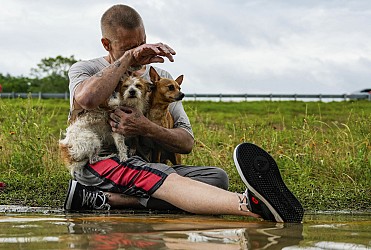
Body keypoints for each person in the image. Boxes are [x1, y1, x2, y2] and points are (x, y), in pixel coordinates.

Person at [64, 4, 303, 223]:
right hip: (100, 162)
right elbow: (86, 99)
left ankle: (104, 200)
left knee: (216, 179)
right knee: (162, 174)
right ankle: (250, 204)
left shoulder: (161, 79)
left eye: (141, 44)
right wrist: (128, 60)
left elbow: (186, 143)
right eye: (129, 48)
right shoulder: (86, 69)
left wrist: (146, 127)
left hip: (146, 167)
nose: (138, 53)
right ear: (107, 44)